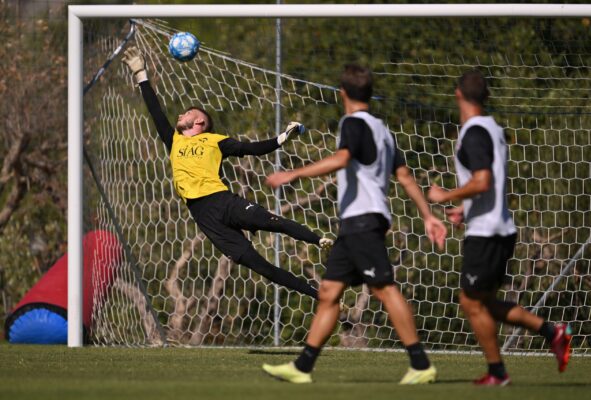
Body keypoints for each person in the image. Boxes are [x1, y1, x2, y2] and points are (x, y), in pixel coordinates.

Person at [261, 64, 447, 384]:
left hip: (363, 220)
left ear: (342, 93)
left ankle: (420, 364)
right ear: (370, 94)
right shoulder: (382, 130)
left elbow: (342, 159)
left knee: (385, 290)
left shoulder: (352, 122)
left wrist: (294, 173)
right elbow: (403, 175)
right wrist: (428, 215)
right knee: (330, 293)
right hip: (353, 224)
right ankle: (302, 367)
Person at [122, 47, 333, 300]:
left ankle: (317, 240)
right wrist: (141, 74)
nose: (181, 114)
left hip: (222, 201)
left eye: (188, 113)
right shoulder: (174, 141)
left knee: (271, 222)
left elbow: (252, 149)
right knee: (260, 266)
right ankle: (316, 294)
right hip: (203, 216)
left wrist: (282, 137)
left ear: (199, 122)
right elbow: (156, 113)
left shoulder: (215, 141)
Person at [427, 69, 572, 386]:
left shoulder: (475, 132)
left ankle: (497, 373)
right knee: (487, 304)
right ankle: (553, 331)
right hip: (496, 226)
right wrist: (463, 209)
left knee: (469, 302)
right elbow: (488, 182)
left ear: (458, 95)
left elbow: (482, 180)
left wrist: (444, 195)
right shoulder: (492, 128)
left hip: (488, 233)